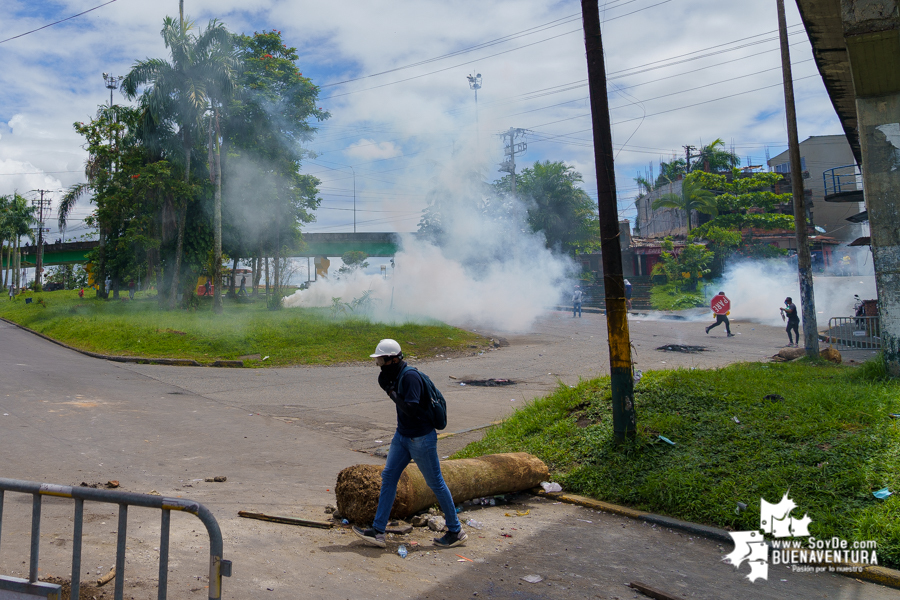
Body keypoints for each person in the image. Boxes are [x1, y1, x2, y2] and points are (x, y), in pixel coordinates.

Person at [352, 339, 467, 550]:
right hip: (402, 436)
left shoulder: (411, 377)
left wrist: (391, 392)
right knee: (388, 477)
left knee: (436, 484)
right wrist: (389, 389)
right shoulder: (394, 374)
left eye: (381, 361)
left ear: (394, 359)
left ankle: (455, 530)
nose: (379, 365)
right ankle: (378, 531)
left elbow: (411, 409)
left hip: (421, 439)